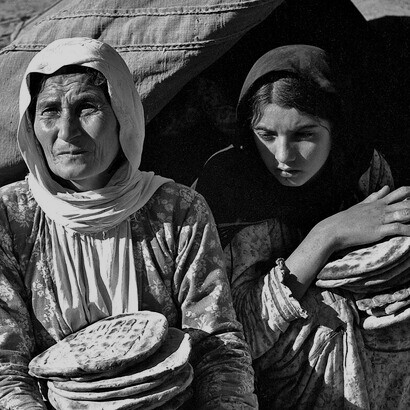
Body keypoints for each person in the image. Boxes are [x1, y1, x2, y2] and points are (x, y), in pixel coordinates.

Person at [0, 37, 257, 409]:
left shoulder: (177, 211)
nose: (66, 130)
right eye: (49, 111)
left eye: (86, 107)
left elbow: (217, 347)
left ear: (122, 112)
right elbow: (6, 366)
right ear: (31, 125)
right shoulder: (10, 217)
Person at [195, 44, 410, 409]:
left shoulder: (361, 167)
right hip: (285, 385)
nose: (282, 156)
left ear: (335, 128)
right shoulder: (228, 190)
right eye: (266, 134)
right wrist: (328, 234)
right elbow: (236, 335)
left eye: (304, 135)